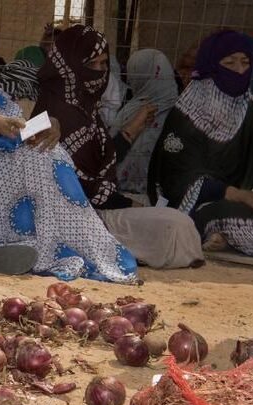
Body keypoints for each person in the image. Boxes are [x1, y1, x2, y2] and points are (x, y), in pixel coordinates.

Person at [0, 13, 138, 282]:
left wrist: (48, 124)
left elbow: (18, 127)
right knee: (34, 160)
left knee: (48, 153)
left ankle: (59, 244)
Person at [35, 25, 204, 269]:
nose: (99, 73)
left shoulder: (85, 108)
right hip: (74, 218)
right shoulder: (55, 113)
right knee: (174, 226)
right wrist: (126, 203)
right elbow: (78, 185)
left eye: (103, 65)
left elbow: (98, 166)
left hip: (99, 207)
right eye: (91, 64)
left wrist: (129, 133)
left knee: (177, 222)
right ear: (69, 64)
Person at [149, 30, 253, 256]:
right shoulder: (187, 116)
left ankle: (226, 239)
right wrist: (238, 194)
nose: (239, 70)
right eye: (229, 62)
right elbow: (176, 182)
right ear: (210, 66)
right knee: (224, 213)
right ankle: (218, 233)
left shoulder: (250, 110)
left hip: (247, 202)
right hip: (196, 208)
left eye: (246, 62)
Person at [110, 49, 179, 195]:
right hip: (166, 199)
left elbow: (107, 156)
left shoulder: (130, 111)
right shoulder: (184, 112)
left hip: (119, 193)